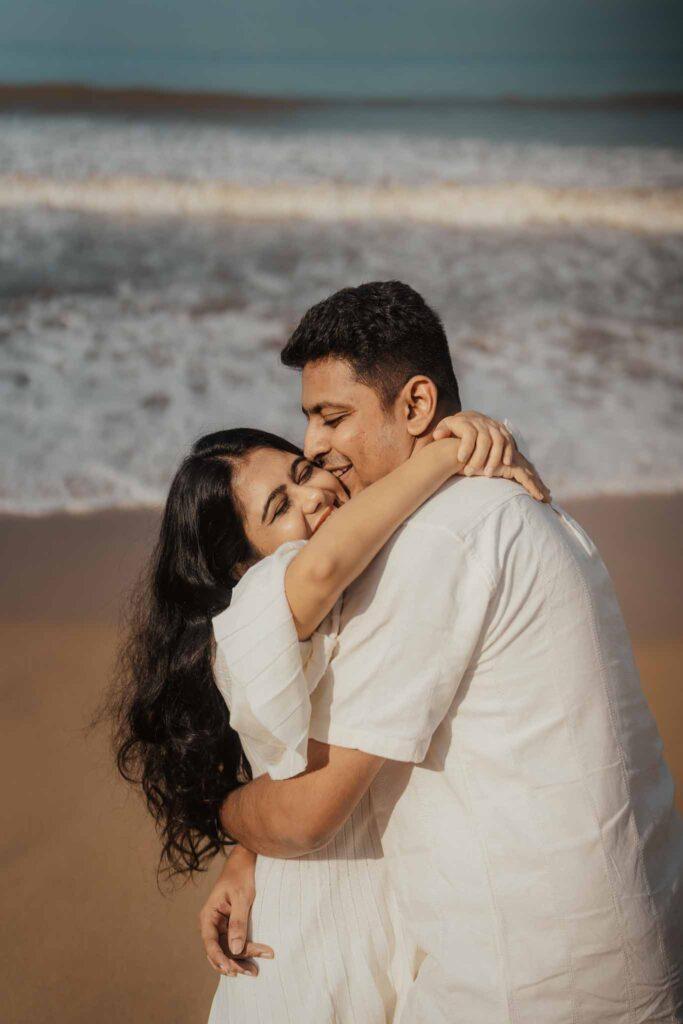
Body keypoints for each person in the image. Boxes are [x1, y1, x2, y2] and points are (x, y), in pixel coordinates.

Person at [202, 281, 683, 1023]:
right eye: (309, 422)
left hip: (526, 981)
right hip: (635, 943)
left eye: (332, 418)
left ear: (417, 406)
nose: (315, 448)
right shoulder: (521, 502)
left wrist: (225, 816)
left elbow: (305, 815)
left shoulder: (431, 541)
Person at [111, 406, 547, 1021]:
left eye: (303, 470)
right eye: (279, 508)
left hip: (380, 912)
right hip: (315, 936)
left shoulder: (337, 578)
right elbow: (319, 566)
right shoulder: (267, 597)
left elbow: (283, 759)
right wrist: (450, 451)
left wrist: (245, 850)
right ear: (242, 566)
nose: (314, 495)